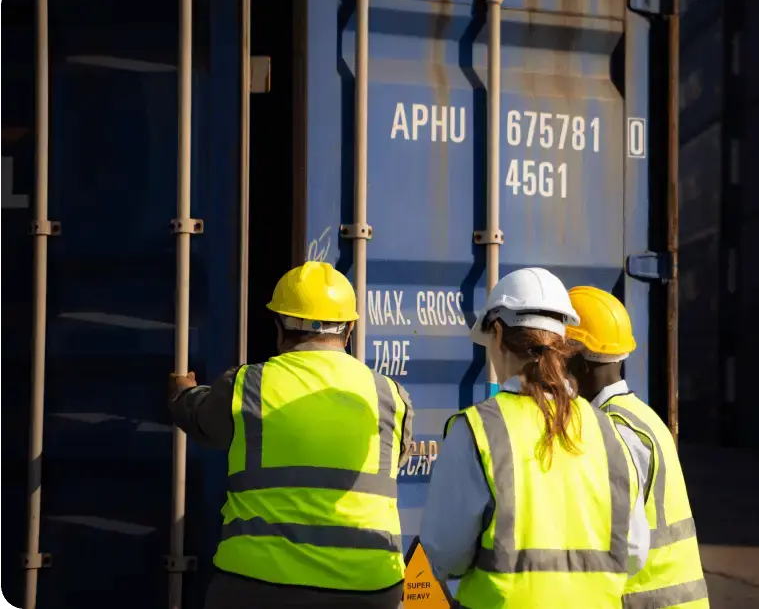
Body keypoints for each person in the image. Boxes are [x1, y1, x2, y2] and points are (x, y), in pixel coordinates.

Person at [167, 261, 414, 609]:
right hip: (370, 590)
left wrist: (181, 392)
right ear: (350, 329)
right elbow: (394, 460)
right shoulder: (391, 396)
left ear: (279, 327)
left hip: (259, 587)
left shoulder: (248, 385)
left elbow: (200, 416)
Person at [419, 267, 655, 608]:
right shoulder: (608, 432)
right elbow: (634, 554)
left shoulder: (477, 430)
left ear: (497, 333)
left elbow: (444, 554)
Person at [565, 285, 710, 609]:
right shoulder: (643, 417)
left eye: (559, 359)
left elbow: (621, 543)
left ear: (580, 365)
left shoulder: (611, 431)